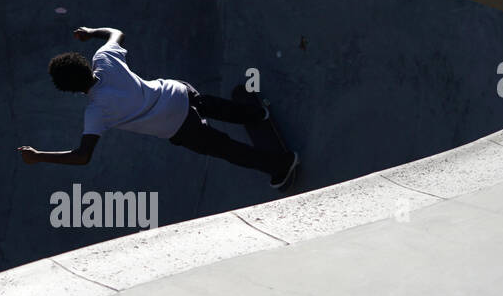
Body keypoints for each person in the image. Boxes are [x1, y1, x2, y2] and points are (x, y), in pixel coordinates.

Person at [18, 27, 299, 189]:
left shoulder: (96, 113)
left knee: (224, 148)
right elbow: (116, 32)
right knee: (209, 105)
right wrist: (92, 32)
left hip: (177, 126)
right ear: (83, 64)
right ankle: (255, 113)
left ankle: (281, 165)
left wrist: (39, 156)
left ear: (68, 89)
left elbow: (82, 157)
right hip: (177, 91)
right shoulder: (104, 59)